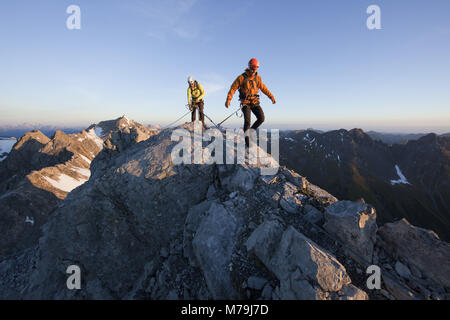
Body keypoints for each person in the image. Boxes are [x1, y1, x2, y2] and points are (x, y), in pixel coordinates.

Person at [225, 58, 276, 146]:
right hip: (245, 103)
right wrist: (228, 99)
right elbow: (233, 88)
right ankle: (247, 143)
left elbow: (264, 88)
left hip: (255, 102)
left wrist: (271, 97)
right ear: (249, 67)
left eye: (255, 68)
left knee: (261, 118)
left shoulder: (257, 78)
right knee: (247, 121)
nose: (254, 70)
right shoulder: (241, 78)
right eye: (252, 68)